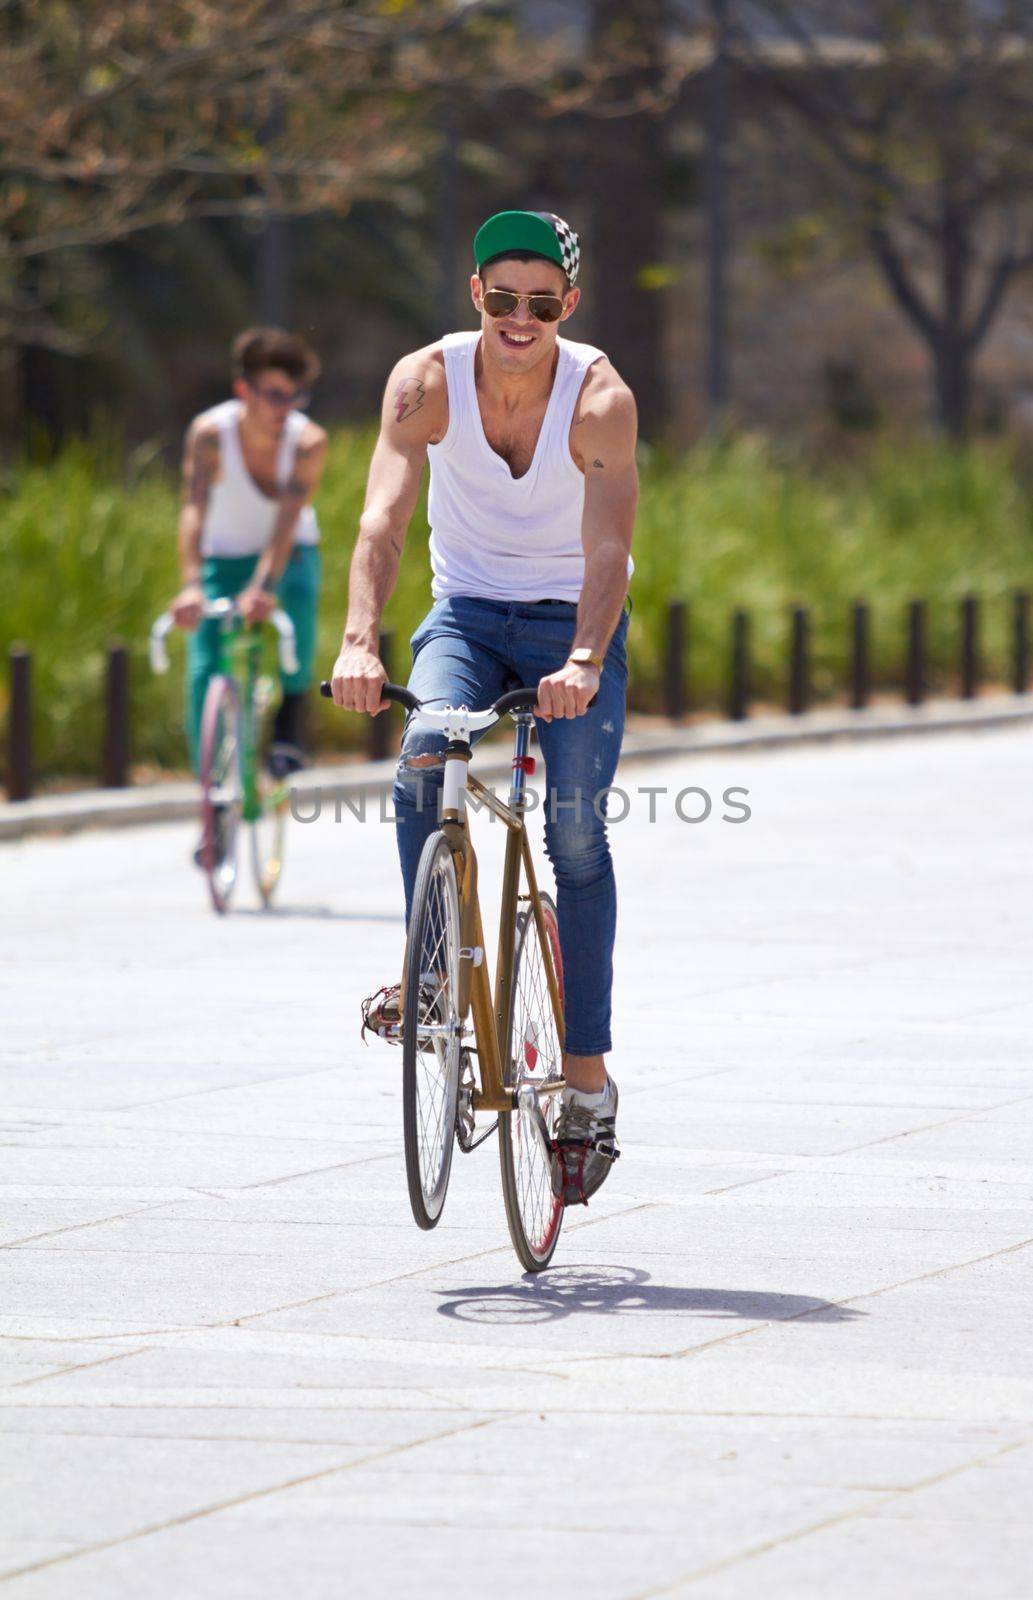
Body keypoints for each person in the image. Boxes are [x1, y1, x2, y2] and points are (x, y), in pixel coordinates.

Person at [330, 210, 638, 1205]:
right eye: (501, 298)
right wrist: (360, 638)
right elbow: (381, 516)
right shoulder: (425, 383)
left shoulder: (599, 402)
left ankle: (586, 1087)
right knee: (426, 752)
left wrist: (584, 658)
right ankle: (428, 975)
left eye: (539, 305)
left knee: (576, 839)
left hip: (567, 627)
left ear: (567, 308)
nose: (518, 318)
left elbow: (608, 551)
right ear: (475, 295)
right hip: (464, 615)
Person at [169, 327, 328, 805]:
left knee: (295, 613)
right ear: (244, 391)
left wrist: (264, 586)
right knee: (203, 666)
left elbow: (285, 523)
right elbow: (193, 507)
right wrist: (191, 584)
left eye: (295, 396)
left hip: (288, 551)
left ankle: (289, 723)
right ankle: (213, 789)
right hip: (225, 554)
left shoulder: (308, 442)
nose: (285, 408)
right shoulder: (210, 435)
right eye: (274, 395)